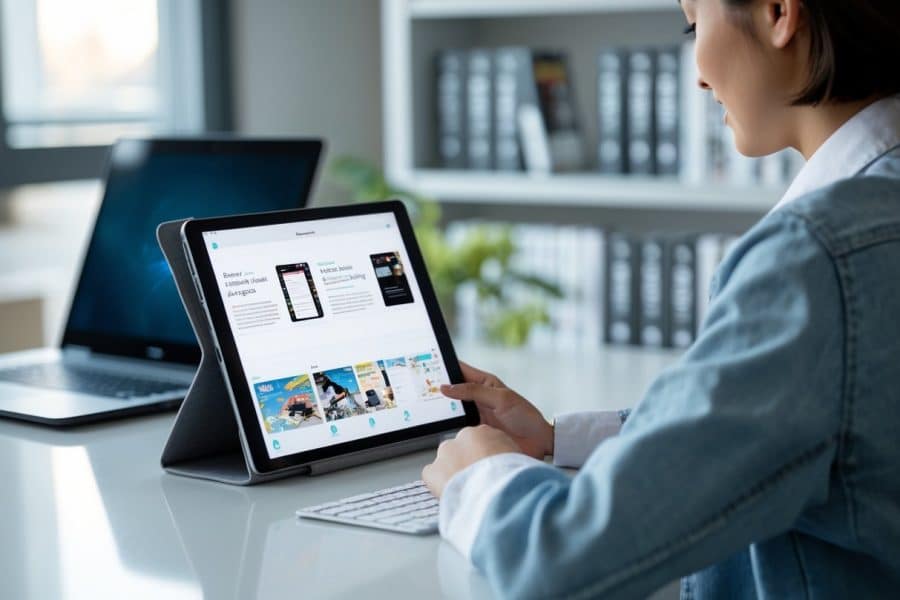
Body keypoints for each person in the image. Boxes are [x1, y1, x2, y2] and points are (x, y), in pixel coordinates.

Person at [422, 1, 900, 598]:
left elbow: (561, 562)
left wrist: (482, 477)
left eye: (694, 26)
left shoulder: (815, 257)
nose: (697, 74)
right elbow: (804, 431)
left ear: (780, 12)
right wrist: (556, 439)